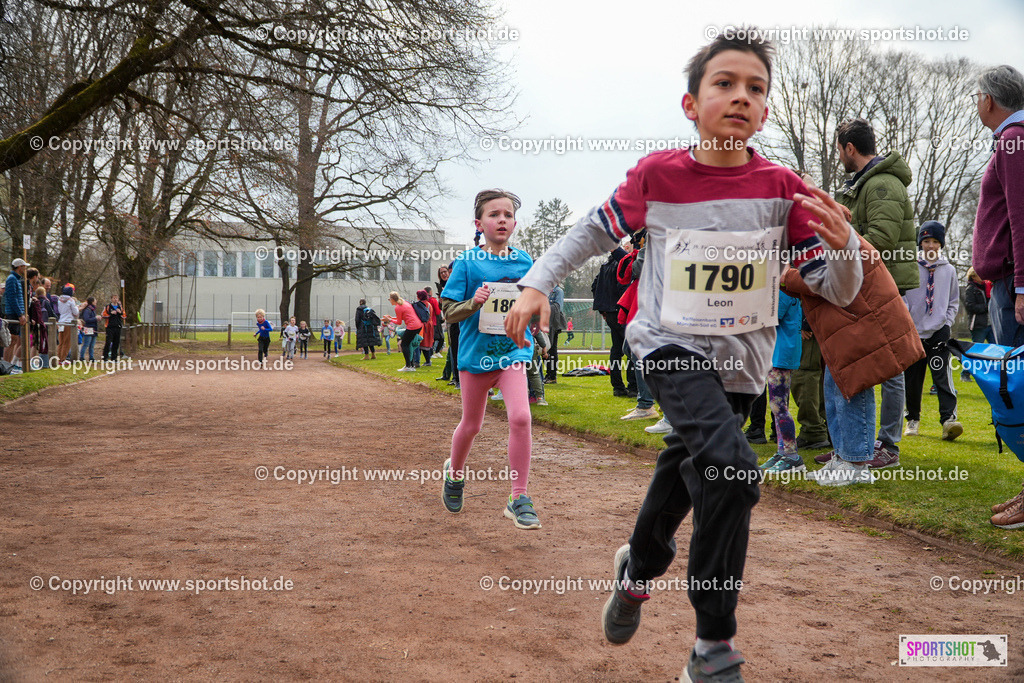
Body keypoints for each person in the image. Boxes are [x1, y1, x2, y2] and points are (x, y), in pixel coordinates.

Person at [505, 33, 862, 680]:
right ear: (691, 104)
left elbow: (836, 290)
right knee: (733, 470)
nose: (741, 96)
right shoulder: (659, 175)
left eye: (755, 88)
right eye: (725, 83)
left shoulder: (784, 189)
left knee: (686, 469)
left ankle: (637, 570)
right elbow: (591, 230)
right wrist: (536, 283)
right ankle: (713, 645)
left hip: (742, 366)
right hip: (668, 345)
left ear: (766, 111)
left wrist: (845, 251)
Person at [440, 188, 540, 529]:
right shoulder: (467, 263)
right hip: (475, 357)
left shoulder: (524, 262)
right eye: (494, 214)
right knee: (472, 425)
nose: (502, 220)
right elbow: (448, 312)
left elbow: (532, 304)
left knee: (521, 417)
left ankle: (518, 497)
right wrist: (474, 302)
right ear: (479, 223)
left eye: (508, 215)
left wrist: (535, 314)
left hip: (513, 353)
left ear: (515, 223)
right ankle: (454, 474)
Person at [833, 117, 918, 469]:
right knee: (868, 363)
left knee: (892, 367)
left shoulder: (882, 183)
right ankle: (858, 445)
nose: (839, 156)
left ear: (850, 148)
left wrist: (836, 249)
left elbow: (880, 240)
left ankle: (889, 446)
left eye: (839, 150)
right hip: (868, 284)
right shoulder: (863, 183)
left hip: (886, 285)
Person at [971, 64, 1024, 530]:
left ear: (989, 99)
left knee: (1021, 392)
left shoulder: (1013, 140)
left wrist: (1022, 286)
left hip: (1013, 286)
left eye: (977, 96)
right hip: (1004, 283)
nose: (976, 103)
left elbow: (1022, 217)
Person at [903, 222, 963, 441]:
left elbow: (953, 301)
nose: (930, 245)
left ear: (941, 244)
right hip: (913, 330)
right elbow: (902, 296)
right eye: (926, 241)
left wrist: (947, 323)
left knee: (942, 376)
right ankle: (912, 419)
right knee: (912, 378)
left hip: (939, 331)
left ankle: (949, 420)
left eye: (935, 241)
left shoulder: (949, 270)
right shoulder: (910, 266)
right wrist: (906, 319)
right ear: (920, 243)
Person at [758, 289, 805, 473]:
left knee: (779, 406)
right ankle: (782, 451)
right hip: (780, 352)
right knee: (777, 405)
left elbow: (770, 317)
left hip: (782, 353)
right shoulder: (784, 288)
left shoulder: (783, 289)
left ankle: (791, 456)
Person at [592, 241, 636, 397]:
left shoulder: (605, 265)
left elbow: (595, 286)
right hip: (622, 312)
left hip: (610, 313)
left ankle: (617, 387)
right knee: (631, 349)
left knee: (616, 350)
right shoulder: (624, 264)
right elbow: (624, 288)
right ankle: (633, 387)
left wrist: (603, 309)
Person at [961, 268, 993, 381]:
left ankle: (993, 373)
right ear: (973, 276)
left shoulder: (987, 287)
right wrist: (986, 307)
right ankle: (965, 373)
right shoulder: (970, 289)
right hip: (978, 325)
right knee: (975, 350)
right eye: (979, 274)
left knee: (995, 349)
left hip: (991, 324)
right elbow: (970, 307)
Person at [381, 292, 422, 371]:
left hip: (412, 326)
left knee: (404, 344)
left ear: (392, 299)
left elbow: (399, 322)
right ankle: (411, 365)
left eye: (390, 299)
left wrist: (389, 320)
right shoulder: (404, 303)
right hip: (418, 325)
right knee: (409, 344)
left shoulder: (398, 307)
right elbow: (402, 317)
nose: (390, 301)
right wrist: (391, 318)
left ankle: (408, 366)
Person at [4, 259, 29, 363]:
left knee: (13, 341)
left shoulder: (16, 279)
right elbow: (12, 298)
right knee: (11, 341)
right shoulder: (12, 279)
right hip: (13, 313)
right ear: (19, 267)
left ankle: (8, 365)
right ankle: (5, 365)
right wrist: (20, 314)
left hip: (16, 313)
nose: (25, 269)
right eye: (24, 266)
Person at [543, 284, 567, 383]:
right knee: (544, 348)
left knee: (552, 349)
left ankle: (552, 375)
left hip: (553, 323)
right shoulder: (545, 290)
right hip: (544, 322)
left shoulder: (558, 291)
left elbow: (558, 308)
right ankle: (548, 374)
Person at [56, 284, 79, 363]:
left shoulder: (59, 300)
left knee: (61, 342)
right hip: (68, 322)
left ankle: (59, 358)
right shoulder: (71, 301)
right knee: (67, 342)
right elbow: (75, 312)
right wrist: (77, 307)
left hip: (61, 322)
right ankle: (62, 359)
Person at [28, 287, 50, 366]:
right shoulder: (44, 301)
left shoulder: (33, 301)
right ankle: (35, 363)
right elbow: (50, 312)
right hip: (40, 324)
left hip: (34, 324)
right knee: (38, 344)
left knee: (35, 344)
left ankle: (32, 362)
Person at [413, 290, 434, 367]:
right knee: (426, 344)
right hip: (429, 325)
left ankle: (417, 361)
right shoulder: (429, 304)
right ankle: (428, 361)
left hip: (423, 325)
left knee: (419, 342)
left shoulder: (419, 305)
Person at [102, 294, 125, 361]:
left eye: (116, 298)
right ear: (111, 299)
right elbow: (103, 315)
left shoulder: (120, 307)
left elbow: (124, 316)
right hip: (109, 327)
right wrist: (110, 313)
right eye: (114, 298)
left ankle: (114, 358)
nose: (115, 299)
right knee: (108, 342)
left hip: (118, 326)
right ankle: (105, 357)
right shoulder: (108, 307)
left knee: (116, 342)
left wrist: (120, 313)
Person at [79, 296, 99, 361]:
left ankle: (91, 357)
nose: (96, 302)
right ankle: (82, 357)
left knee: (92, 344)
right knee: (86, 344)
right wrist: (95, 318)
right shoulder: (87, 310)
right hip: (88, 328)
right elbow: (86, 319)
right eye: (95, 300)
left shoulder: (93, 310)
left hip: (94, 328)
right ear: (92, 302)